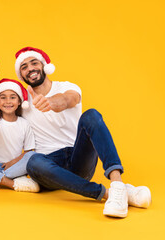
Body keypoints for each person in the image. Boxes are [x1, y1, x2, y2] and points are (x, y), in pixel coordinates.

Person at [13, 46, 151, 218]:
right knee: (33, 162)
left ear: (44, 66)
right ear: (21, 75)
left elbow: (69, 99)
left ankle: (117, 183)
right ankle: (112, 194)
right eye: (24, 67)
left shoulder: (67, 86)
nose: (30, 69)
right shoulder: (21, 100)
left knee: (91, 115)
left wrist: (51, 102)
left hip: (78, 159)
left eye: (34, 63)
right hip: (49, 167)